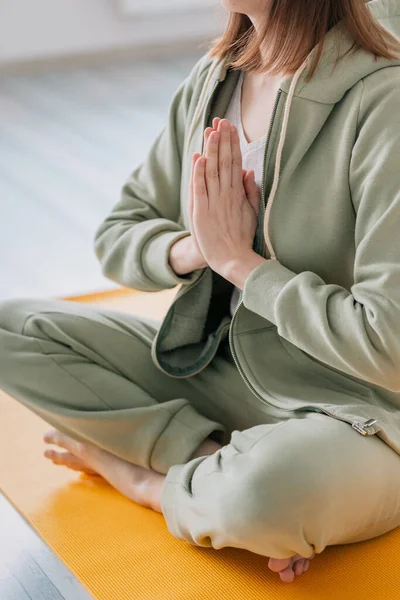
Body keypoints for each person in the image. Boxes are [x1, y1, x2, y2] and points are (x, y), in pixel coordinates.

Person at [1, 0, 400, 585]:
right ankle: (209, 462)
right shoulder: (215, 80)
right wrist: (199, 248)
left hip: (357, 411)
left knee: (269, 493)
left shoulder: (383, 101)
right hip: (219, 370)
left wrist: (243, 264)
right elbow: (120, 232)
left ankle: (149, 481)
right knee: (11, 329)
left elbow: (387, 346)